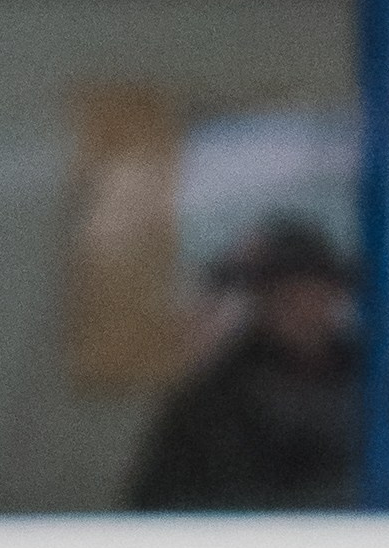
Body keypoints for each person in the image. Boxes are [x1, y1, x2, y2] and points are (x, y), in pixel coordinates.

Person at [123, 212, 367, 513]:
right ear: (263, 302)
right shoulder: (219, 398)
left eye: (315, 291)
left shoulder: (375, 380)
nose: (303, 307)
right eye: (285, 295)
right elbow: (183, 501)